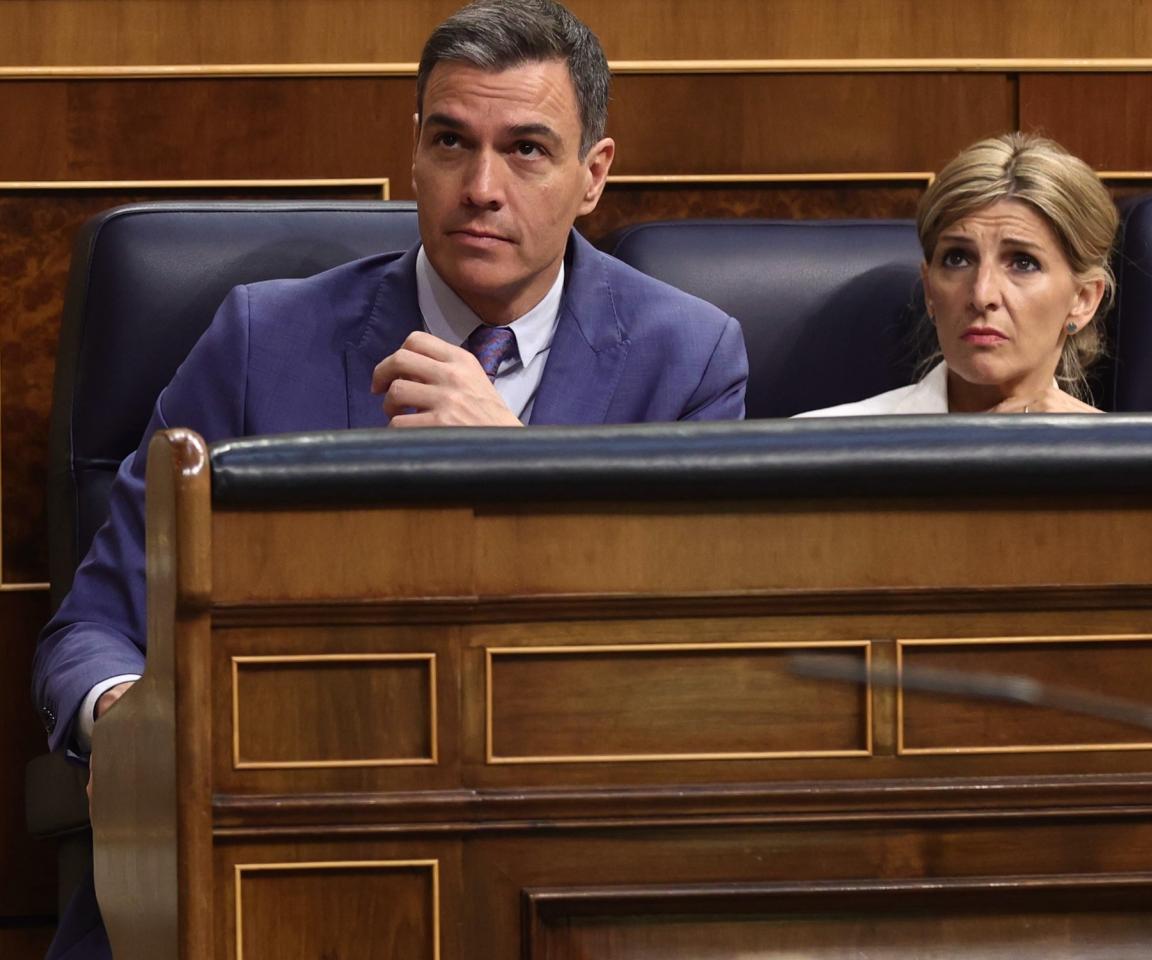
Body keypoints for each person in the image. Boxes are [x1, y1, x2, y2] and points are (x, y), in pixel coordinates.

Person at [34, 1, 746, 956]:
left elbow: (691, 663)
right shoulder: (259, 341)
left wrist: (521, 466)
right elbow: (95, 625)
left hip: (552, 851)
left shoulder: (688, 359)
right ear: (413, 151)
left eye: (527, 150)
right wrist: (126, 723)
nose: (481, 187)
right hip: (279, 830)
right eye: (451, 141)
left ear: (593, 175)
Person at [797, 132, 1117, 417]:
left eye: (1023, 263)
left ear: (1083, 299)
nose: (982, 295)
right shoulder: (818, 446)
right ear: (929, 290)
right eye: (958, 259)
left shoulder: (1119, 457)